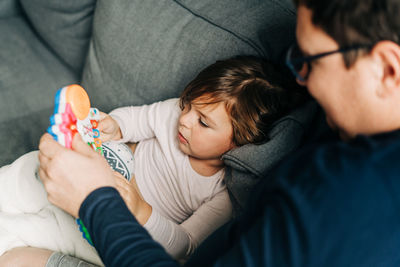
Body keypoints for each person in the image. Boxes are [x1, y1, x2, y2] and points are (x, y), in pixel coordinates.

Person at [0, 56, 306, 266]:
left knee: (43, 233)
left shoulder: (219, 194)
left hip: (107, 226)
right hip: (101, 163)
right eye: (187, 105)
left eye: (203, 122)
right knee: (30, 171)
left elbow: (185, 245)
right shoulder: (176, 114)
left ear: (239, 141)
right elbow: (139, 117)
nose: (184, 120)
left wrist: (140, 210)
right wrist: (116, 125)